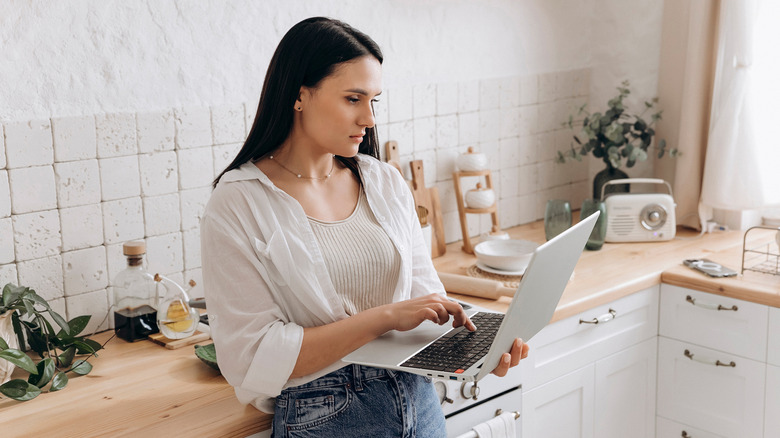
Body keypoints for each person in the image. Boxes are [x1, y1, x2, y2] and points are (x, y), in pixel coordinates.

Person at [201, 16, 529, 437]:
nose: (369, 118)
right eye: (353, 99)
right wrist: (385, 317)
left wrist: (476, 349)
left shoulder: (383, 180)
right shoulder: (239, 201)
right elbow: (253, 357)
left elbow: (425, 301)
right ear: (301, 95)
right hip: (325, 415)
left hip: (419, 401)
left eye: (374, 100)